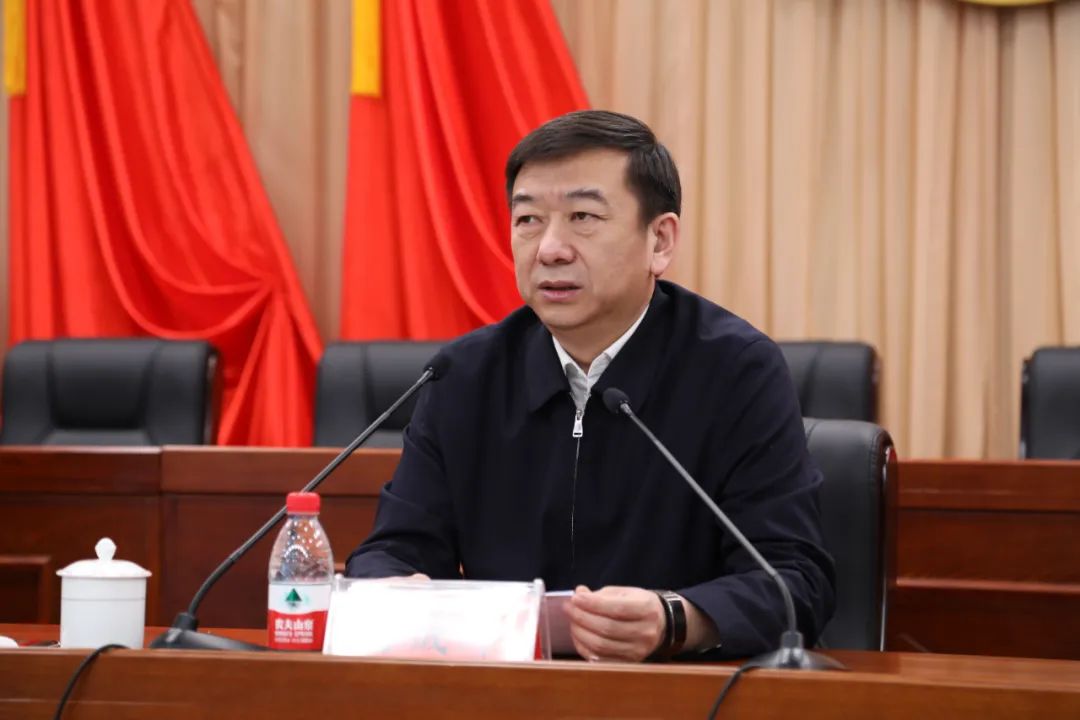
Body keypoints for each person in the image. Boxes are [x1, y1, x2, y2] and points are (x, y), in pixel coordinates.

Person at [346, 110, 835, 662]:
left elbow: (795, 580)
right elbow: (393, 551)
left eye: (582, 216)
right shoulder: (463, 376)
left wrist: (675, 619)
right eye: (528, 220)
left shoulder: (736, 372)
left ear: (660, 240)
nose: (549, 248)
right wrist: (392, 588)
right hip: (505, 689)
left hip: (680, 690)